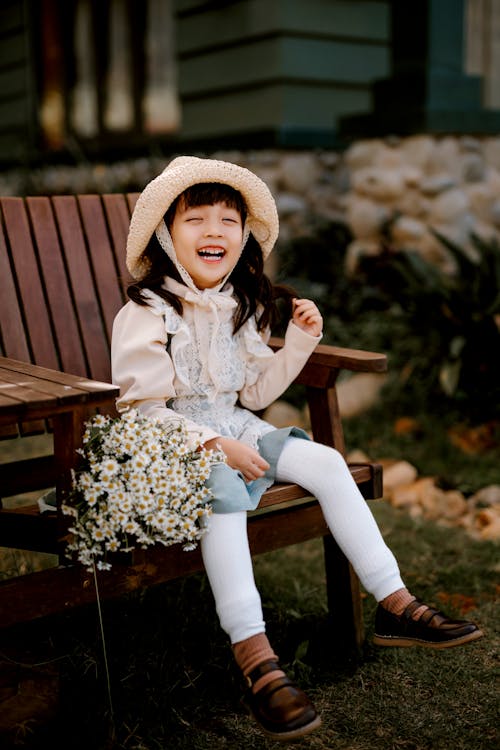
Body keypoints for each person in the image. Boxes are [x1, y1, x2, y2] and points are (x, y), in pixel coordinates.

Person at [111, 156, 483, 741]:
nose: (215, 231)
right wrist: (212, 445)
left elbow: (255, 391)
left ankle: (395, 601)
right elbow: (139, 409)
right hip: (167, 442)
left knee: (327, 461)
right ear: (165, 235)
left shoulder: (237, 304)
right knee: (223, 486)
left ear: (243, 236)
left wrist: (301, 342)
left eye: (229, 220)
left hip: (231, 425)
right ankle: (256, 658)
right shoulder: (146, 313)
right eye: (196, 220)